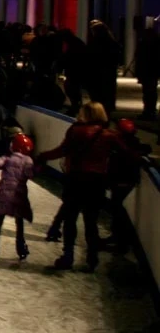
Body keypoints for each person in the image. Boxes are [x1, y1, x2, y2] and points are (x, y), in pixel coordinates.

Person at [37, 102, 122, 271]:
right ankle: (92, 259)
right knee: (91, 222)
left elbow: (62, 150)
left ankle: (67, 256)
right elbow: (126, 152)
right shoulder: (109, 135)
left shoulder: (76, 131)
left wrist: (42, 156)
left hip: (76, 179)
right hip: (97, 182)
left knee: (70, 219)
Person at [0, 134, 35, 264]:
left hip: (4, 194)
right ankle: (20, 246)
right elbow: (30, 174)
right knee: (19, 222)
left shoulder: (7, 158)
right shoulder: (28, 161)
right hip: (18, 195)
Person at [104, 118, 149, 254]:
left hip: (122, 180)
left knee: (117, 210)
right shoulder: (129, 144)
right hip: (122, 180)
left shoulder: (122, 146)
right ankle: (117, 237)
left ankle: (122, 243)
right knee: (116, 208)